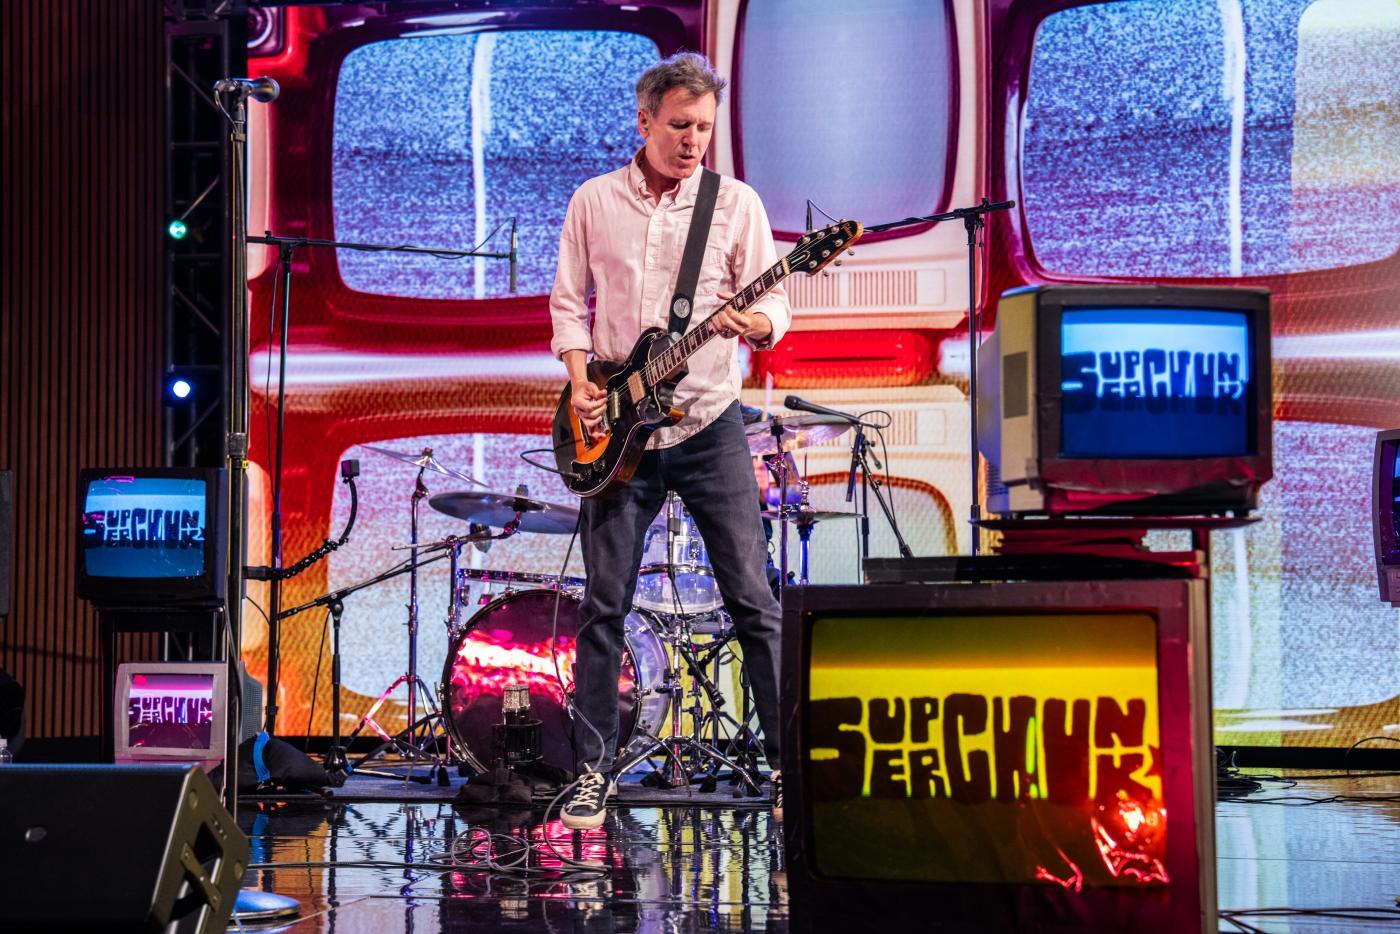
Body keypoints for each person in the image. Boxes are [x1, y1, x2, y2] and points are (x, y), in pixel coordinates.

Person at [549, 51, 790, 830]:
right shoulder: (593, 201)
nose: (693, 141)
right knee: (603, 607)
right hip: (618, 433)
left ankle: (788, 772)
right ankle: (591, 772)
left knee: (754, 601)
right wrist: (583, 383)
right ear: (644, 119)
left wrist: (750, 320)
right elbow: (568, 304)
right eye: (680, 125)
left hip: (709, 419)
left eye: (705, 129)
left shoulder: (735, 205)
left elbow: (775, 308)